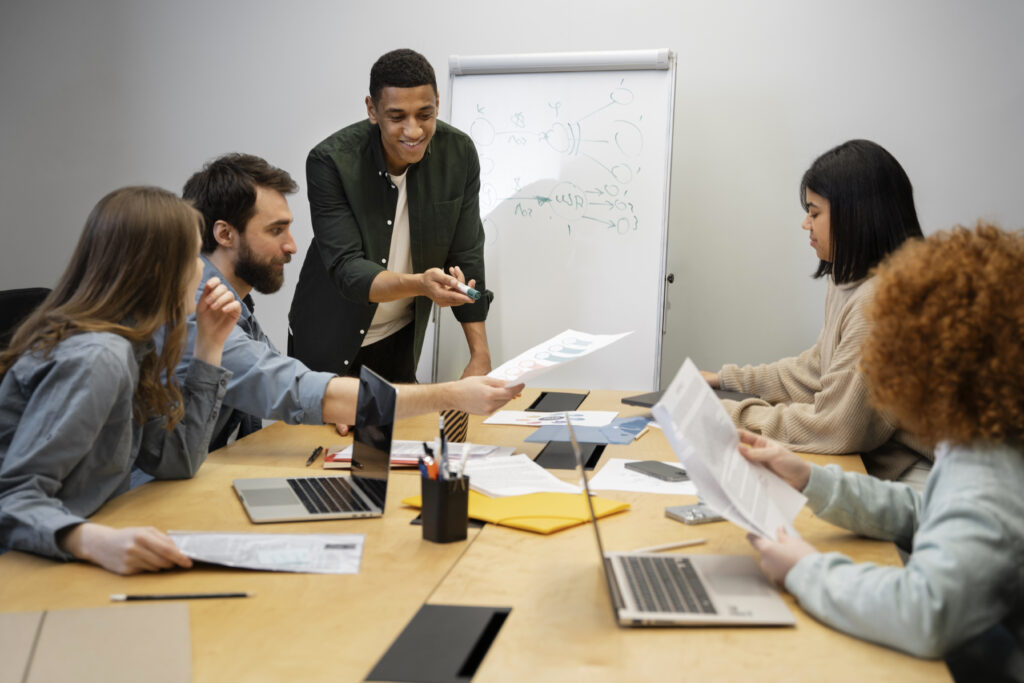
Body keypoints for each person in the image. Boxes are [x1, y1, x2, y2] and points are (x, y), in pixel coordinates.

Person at [742, 224, 1024, 678]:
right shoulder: (990, 439)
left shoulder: (988, 476)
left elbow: (923, 613)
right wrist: (810, 480)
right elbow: (928, 511)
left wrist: (805, 568)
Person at [179, 153, 519, 450]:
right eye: (275, 230)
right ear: (225, 234)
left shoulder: (232, 303)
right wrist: (452, 395)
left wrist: (335, 405)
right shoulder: (198, 310)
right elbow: (293, 389)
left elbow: (287, 378)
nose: (292, 246)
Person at [0, 186, 241, 574]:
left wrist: (210, 346)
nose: (203, 270)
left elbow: (174, 460)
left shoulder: (133, 344)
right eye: (194, 256)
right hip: (24, 568)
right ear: (160, 271)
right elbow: (12, 499)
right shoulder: (99, 358)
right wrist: (93, 541)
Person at [701, 139, 928, 481]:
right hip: (878, 461)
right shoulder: (852, 278)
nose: (806, 224)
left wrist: (727, 414)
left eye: (815, 213)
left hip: (922, 475)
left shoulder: (881, 303)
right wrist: (726, 380)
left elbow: (836, 427)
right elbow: (818, 370)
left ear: (856, 215)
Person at [288, 48, 491, 384]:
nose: (413, 131)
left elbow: (466, 254)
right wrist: (421, 285)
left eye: (425, 115)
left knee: (403, 419)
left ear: (437, 103)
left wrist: (479, 355)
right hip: (328, 338)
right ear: (372, 109)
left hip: (399, 336)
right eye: (397, 117)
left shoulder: (459, 154)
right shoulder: (331, 162)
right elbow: (348, 270)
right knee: (329, 421)